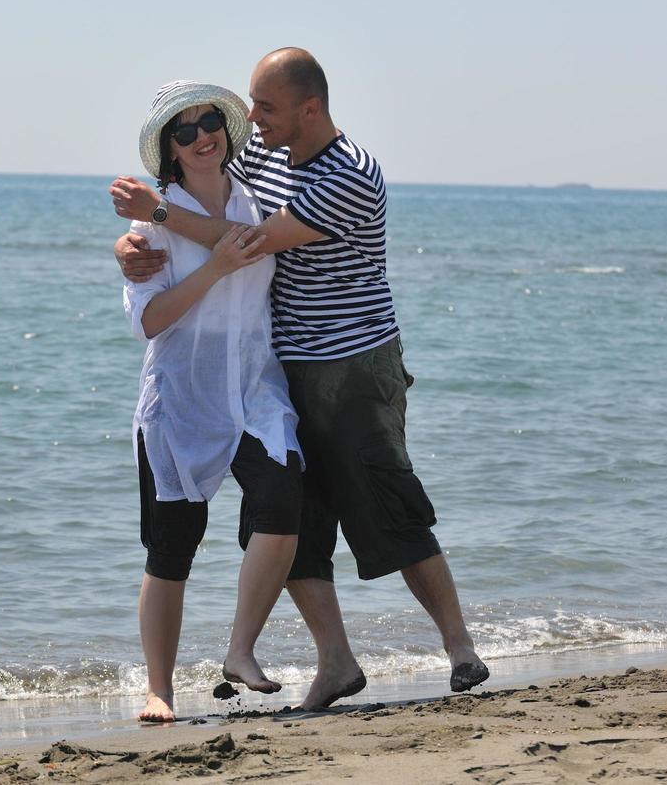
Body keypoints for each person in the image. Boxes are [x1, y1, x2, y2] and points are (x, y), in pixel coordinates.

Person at [110, 49, 490, 710]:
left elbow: (247, 244)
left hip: (350, 364)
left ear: (307, 110)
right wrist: (131, 243)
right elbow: (184, 207)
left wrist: (163, 219)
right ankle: (334, 662)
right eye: (245, 110)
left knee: (386, 502)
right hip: (277, 370)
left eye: (262, 109)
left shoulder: (349, 175)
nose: (241, 123)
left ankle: (459, 646)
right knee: (295, 524)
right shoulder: (261, 155)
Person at [122, 81, 306, 723]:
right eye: (184, 130)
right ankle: (159, 690)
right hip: (182, 399)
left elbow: (254, 242)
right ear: (169, 152)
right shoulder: (150, 228)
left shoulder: (257, 198)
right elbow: (151, 323)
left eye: (210, 122)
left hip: (255, 390)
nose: (203, 135)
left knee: (282, 503)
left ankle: (239, 650)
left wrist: (223, 253)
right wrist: (211, 269)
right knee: (172, 550)